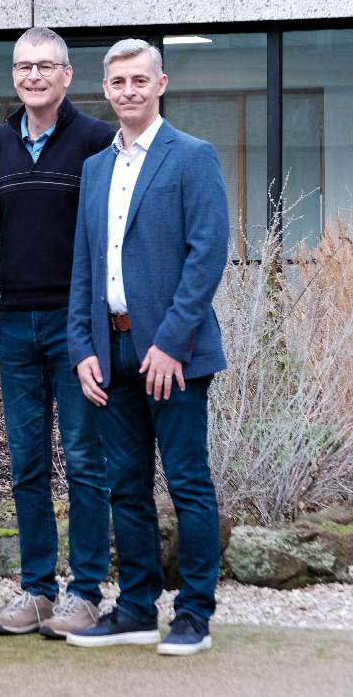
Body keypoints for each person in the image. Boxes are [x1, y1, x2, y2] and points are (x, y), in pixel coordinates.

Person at [67, 38, 229, 656]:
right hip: (109, 353)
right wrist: (83, 345)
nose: (129, 91)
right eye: (118, 82)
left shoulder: (192, 157)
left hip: (174, 358)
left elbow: (206, 255)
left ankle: (193, 616)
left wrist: (171, 344)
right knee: (125, 487)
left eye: (141, 80)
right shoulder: (96, 168)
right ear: (106, 90)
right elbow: (85, 264)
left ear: (161, 84)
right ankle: (135, 608)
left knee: (187, 483)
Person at [0, 27, 115, 638]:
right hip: (15, 325)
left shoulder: (95, 140)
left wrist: (91, 327)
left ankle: (83, 592)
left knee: (86, 461)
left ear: (67, 75)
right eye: (22, 66)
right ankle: (36, 589)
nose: (33, 76)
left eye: (45, 66)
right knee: (27, 464)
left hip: (75, 326)